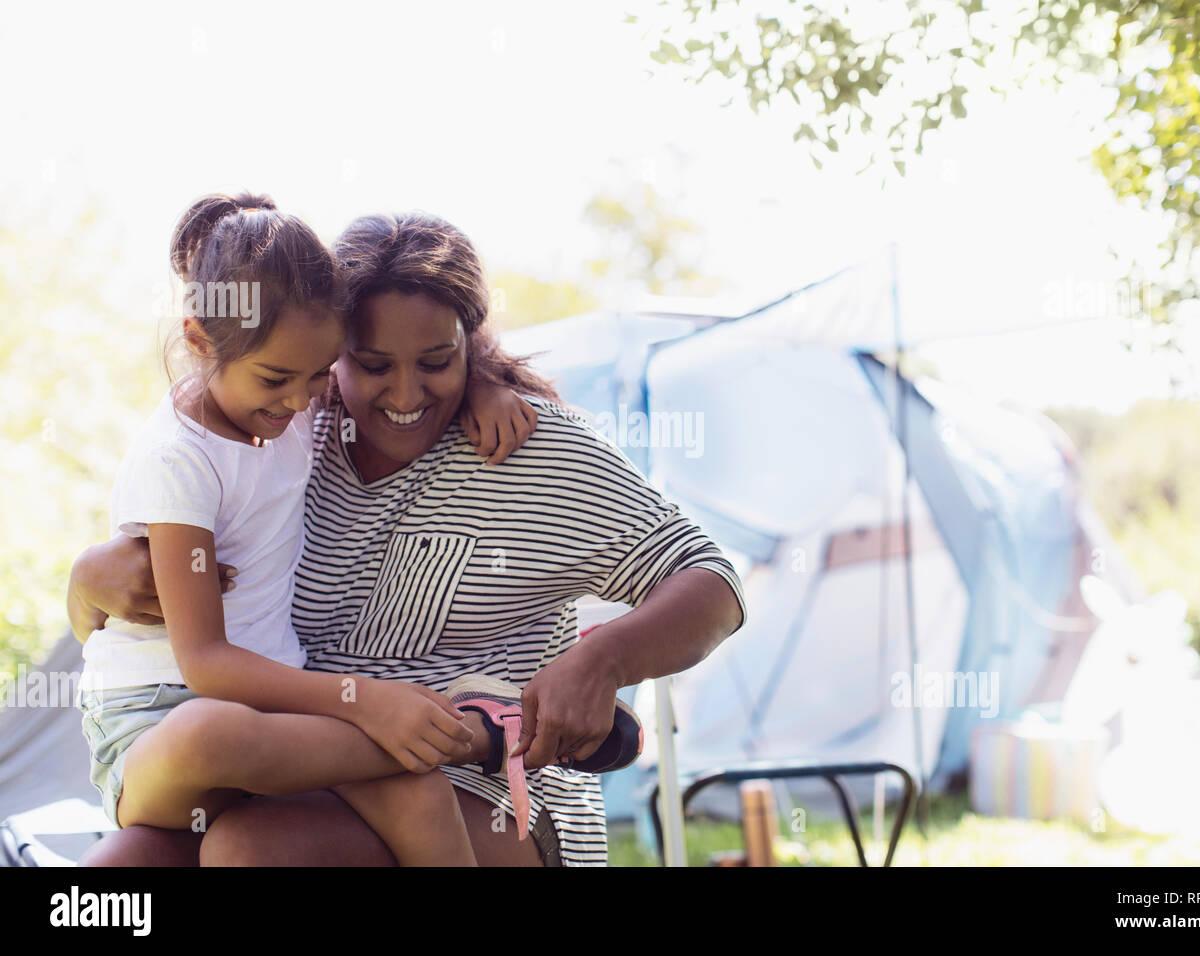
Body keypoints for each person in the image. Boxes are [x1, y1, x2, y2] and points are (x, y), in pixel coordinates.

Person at [67, 210, 747, 866]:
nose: (404, 394)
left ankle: (482, 734)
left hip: (494, 796)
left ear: (471, 343)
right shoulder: (296, 425)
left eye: (436, 361)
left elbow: (712, 582)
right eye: (370, 363)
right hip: (288, 752)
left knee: (256, 851)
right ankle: (467, 736)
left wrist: (607, 661)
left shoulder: (533, 448)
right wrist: (86, 578)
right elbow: (191, 469)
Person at [73, 193, 540, 866]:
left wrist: (485, 380)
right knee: (215, 730)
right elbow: (204, 663)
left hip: (279, 710)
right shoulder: (179, 460)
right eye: (277, 378)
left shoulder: (285, 401)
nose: (301, 401)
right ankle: (473, 734)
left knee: (416, 790)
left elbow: (408, 356)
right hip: (159, 724)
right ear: (200, 340)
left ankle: (443, 735)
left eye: (321, 374)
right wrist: (368, 702)